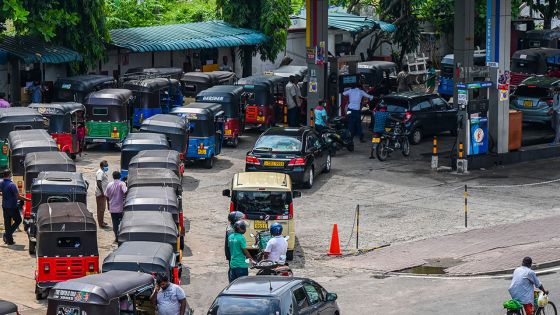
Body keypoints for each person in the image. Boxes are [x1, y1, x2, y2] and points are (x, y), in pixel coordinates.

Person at [0, 169, 30, 245]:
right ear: (9, 175)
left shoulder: (1, 183)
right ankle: (7, 235)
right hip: (12, 206)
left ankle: (9, 241)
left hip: (4, 206)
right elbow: (18, 197)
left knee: (7, 223)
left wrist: (3, 194)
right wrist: (28, 200)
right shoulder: (12, 185)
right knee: (18, 220)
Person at [105, 171, 127, 241]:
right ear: (120, 176)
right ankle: (121, 236)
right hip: (121, 208)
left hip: (112, 208)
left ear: (113, 177)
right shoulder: (122, 184)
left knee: (115, 223)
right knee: (122, 222)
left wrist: (108, 205)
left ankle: (116, 237)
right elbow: (125, 191)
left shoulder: (109, 185)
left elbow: (106, 196)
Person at [95, 160, 109, 228]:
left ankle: (102, 221)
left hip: (103, 193)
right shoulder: (100, 172)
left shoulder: (103, 172)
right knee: (100, 209)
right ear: (101, 166)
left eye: (107, 166)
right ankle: (100, 223)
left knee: (102, 208)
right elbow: (98, 182)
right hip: (100, 194)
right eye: (105, 166)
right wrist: (102, 192)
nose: (107, 167)